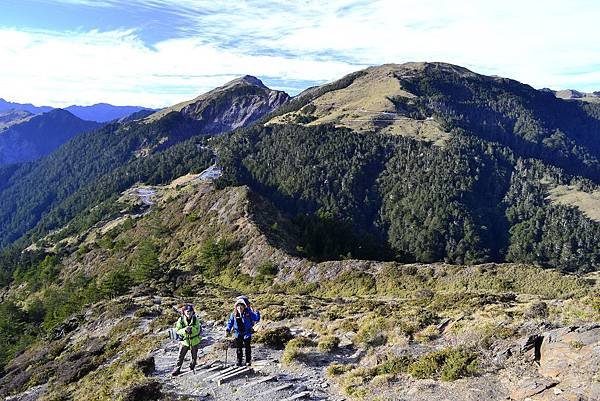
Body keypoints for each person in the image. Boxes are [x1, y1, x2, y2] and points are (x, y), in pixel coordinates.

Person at [226, 298, 260, 366]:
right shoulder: (234, 314)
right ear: (236, 307)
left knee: (247, 347)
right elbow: (230, 322)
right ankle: (239, 361)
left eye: (241, 307)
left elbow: (256, 318)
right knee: (239, 348)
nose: (239, 308)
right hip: (237, 333)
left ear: (244, 307)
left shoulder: (248, 313)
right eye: (238, 307)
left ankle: (248, 361)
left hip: (247, 333)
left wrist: (257, 312)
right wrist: (228, 329)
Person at [171, 304, 202, 376]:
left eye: (190, 311)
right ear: (184, 312)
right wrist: (185, 330)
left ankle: (192, 366)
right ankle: (177, 369)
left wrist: (191, 329)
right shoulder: (181, 320)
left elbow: (197, 330)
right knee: (180, 356)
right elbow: (178, 330)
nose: (189, 313)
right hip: (184, 341)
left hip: (194, 341)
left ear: (193, 312)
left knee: (194, 356)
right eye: (187, 311)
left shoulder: (195, 319)